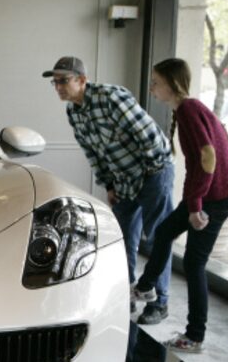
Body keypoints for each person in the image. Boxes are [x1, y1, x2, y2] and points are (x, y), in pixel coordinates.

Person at [43, 56, 174, 325]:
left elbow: (148, 136)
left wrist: (150, 174)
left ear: (82, 80)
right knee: (123, 240)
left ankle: (160, 302)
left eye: (63, 80)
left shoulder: (111, 97)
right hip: (123, 181)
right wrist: (110, 185)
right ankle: (126, 297)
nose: (58, 86)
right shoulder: (73, 112)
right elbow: (93, 153)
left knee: (158, 238)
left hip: (153, 173)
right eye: (54, 82)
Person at [132, 58, 228, 353]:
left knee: (194, 264)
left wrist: (195, 206)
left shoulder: (190, 110)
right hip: (209, 193)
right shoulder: (186, 110)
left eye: (156, 82)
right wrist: (191, 200)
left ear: (171, 83)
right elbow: (196, 163)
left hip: (216, 198)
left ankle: (194, 337)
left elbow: (207, 158)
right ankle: (146, 286)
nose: (152, 87)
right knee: (165, 230)